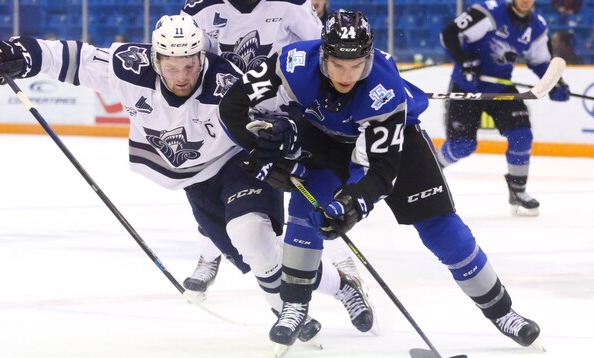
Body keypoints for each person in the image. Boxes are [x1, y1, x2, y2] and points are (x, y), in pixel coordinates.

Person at [0, 14, 375, 345]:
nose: (182, 75)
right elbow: (75, 58)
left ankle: (288, 317)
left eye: (191, 64)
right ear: (155, 57)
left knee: (251, 236)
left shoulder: (226, 79)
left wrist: (281, 129)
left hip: (238, 163)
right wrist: (20, 53)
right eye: (172, 65)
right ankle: (340, 287)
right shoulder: (128, 67)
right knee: (259, 260)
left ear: (201, 55)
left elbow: (279, 106)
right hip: (194, 182)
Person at [217, 10, 543, 350]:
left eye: (357, 65)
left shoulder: (384, 89)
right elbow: (232, 108)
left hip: (400, 141)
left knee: (442, 230)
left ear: (369, 57)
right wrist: (259, 150)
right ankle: (295, 305)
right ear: (323, 55)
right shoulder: (293, 61)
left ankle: (503, 312)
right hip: (327, 138)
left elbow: (382, 170)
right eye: (339, 64)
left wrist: (351, 206)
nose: (348, 75)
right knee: (304, 212)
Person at [180, 0, 365, 299]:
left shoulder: (291, 5)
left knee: (311, 191)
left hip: (283, 118)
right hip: (229, 117)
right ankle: (208, 255)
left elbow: (322, 53)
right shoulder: (198, 9)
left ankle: (342, 264)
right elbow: (186, 60)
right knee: (208, 184)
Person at [435, 0, 571, 217]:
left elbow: (541, 62)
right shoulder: (489, 12)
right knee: (462, 145)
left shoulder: (537, 26)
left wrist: (556, 83)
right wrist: (463, 60)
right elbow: (449, 34)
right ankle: (428, 171)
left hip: (500, 87)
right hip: (467, 86)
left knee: (522, 135)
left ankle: (518, 191)